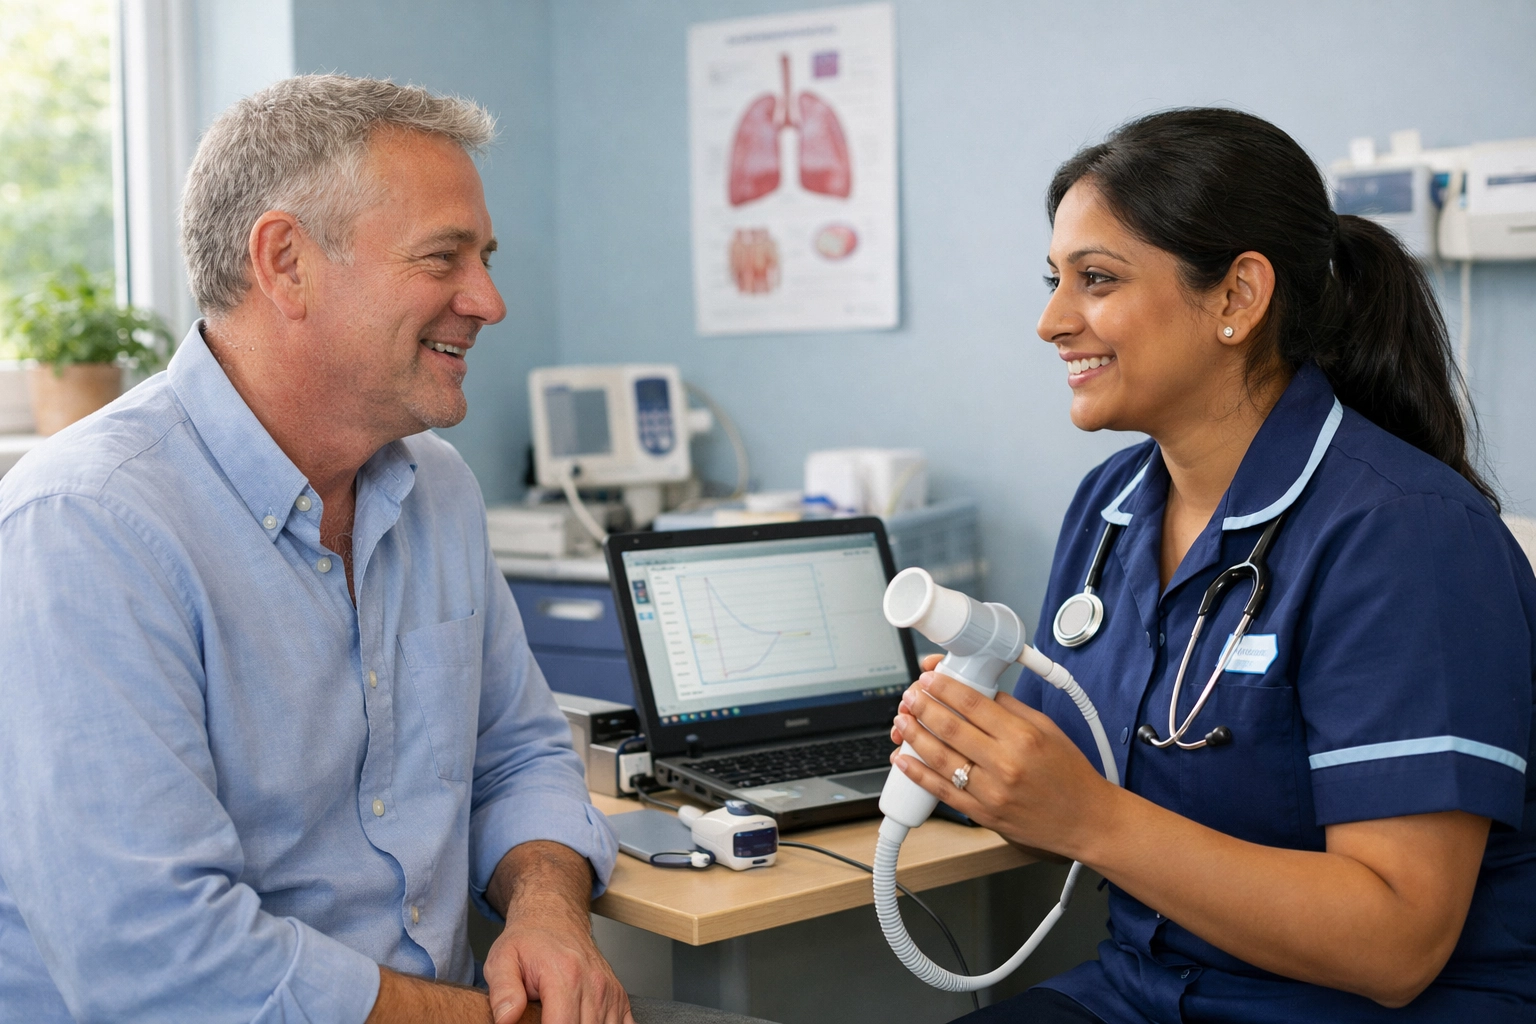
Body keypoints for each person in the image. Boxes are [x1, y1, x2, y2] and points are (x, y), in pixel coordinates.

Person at [0, 75, 766, 1024]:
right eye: (443, 258)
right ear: (286, 262)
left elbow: (519, 756)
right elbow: (159, 963)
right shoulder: (87, 525)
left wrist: (548, 912)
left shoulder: (434, 489)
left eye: (483, 257)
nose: (488, 300)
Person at [889, 109, 1536, 1023]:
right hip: (1143, 993)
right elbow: (1073, 775)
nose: (1050, 322)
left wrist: (1089, 819)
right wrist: (976, 756)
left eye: (1096, 280)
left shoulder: (1408, 537)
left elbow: (1397, 943)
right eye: (1054, 281)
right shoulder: (1113, 509)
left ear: (1238, 297)